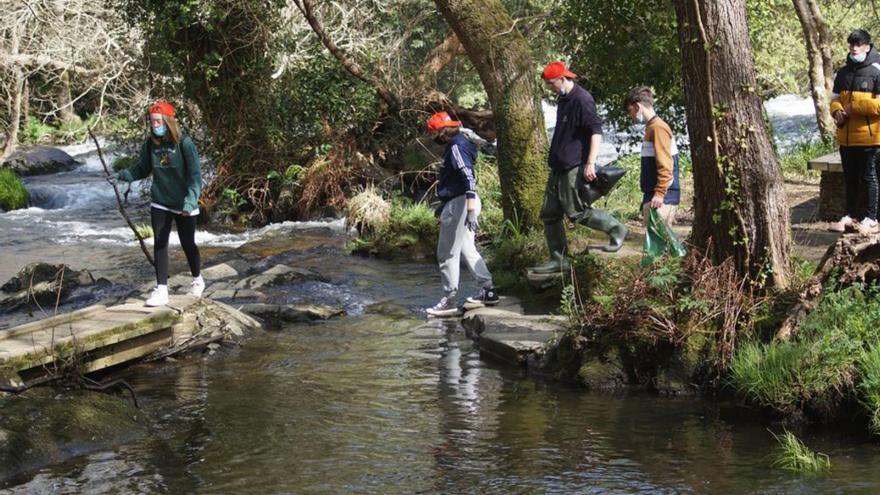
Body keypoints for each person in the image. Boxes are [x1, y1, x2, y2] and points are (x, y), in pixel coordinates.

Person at [530, 61, 628, 274]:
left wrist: (590, 162)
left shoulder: (583, 99)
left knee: (576, 212)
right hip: (558, 166)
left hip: (574, 166)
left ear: (563, 79)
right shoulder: (564, 99)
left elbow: (596, 132)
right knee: (549, 213)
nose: (549, 87)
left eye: (551, 83)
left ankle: (616, 228)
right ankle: (559, 259)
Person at [116, 101, 204, 306]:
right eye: (152, 121)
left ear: (168, 121)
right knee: (160, 242)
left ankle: (198, 280)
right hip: (160, 200)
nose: (155, 125)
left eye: (158, 121)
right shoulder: (150, 144)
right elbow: (142, 168)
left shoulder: (185, 144)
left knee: (187, 243)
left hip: (184, 202)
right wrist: (123, 175)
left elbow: (195, 176)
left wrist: (190, 201)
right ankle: (161, 290)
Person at [425, 111, 498, 317]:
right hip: (466, 201)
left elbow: (468, 175)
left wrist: (471, 209)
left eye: (433, 134)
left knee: (446, 252)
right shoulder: (464, 141)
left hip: (461, 203)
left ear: (442, 132)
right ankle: (488, 290)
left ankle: (449, 300)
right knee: (467, 247)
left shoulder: (456, 147)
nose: (433, 138)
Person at [829, 29, 880, 234]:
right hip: (846, 138)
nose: (854, 48)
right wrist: (838, 112)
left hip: (870, 137)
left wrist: (855, 106)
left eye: (858, 45)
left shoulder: (877, 70)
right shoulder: (843, 72)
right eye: (851, 45)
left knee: (870, 178)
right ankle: (850, 215)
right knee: (850, 179)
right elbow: (834, 99)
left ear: (867, 46)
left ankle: (872, 218)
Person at [623, 86, 681, 228]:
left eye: (630, 111)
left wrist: (660, 193)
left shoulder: (657, 128)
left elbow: (666, 165)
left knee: (659, 245)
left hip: (662, 197)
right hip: (655, 195)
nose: (631, 116)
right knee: (658, 245)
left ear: (638, 106)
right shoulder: (652, 127)